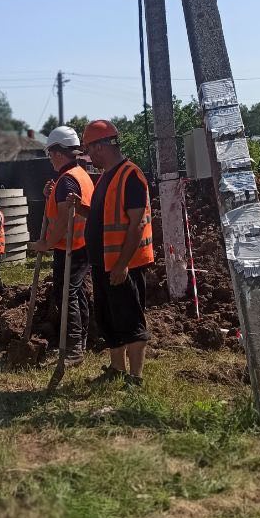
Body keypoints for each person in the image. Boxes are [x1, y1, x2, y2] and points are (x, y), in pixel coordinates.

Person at [75, 120, 155, 385]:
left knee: (130, 319)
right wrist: (80, 208)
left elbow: (137, 223)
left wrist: (122, 265)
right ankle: (117, 369)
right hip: (103, 262)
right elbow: (103, 218)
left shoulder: (130, 175)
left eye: (90, 149)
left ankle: (135, 377)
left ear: (100, 146)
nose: (90, 156)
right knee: (108, 319)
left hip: (123, 264)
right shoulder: (108, 176)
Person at [32, 125, 95, 364]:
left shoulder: (67, 181)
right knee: (75, 293)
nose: (49, 159)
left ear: (59, 153)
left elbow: (61, 222)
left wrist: (46, 243)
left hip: (71, 247)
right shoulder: (81, 175)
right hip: (82, 244)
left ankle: (73, 349)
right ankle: (80, 342)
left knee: (66, 295)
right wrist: (51, 194)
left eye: (50, 154)